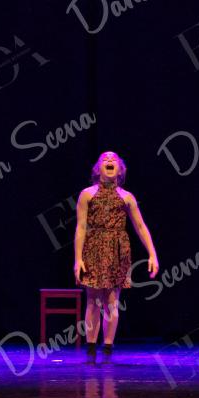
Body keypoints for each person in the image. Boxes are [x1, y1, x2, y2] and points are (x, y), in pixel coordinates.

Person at [74, 151, 159, 364]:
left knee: (112, 300)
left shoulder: (126, 197)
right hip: (94, 247)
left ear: (120, 170)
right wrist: (78, 259)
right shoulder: (87, 194)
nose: (110, 160)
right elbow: (81, 227)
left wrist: (152, 254)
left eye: (114, 159)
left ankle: (108, 347)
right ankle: (91, 348)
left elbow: (140, 226)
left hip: (117, 250)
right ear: (98, 169)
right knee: (93, 299)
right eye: (105, 159)